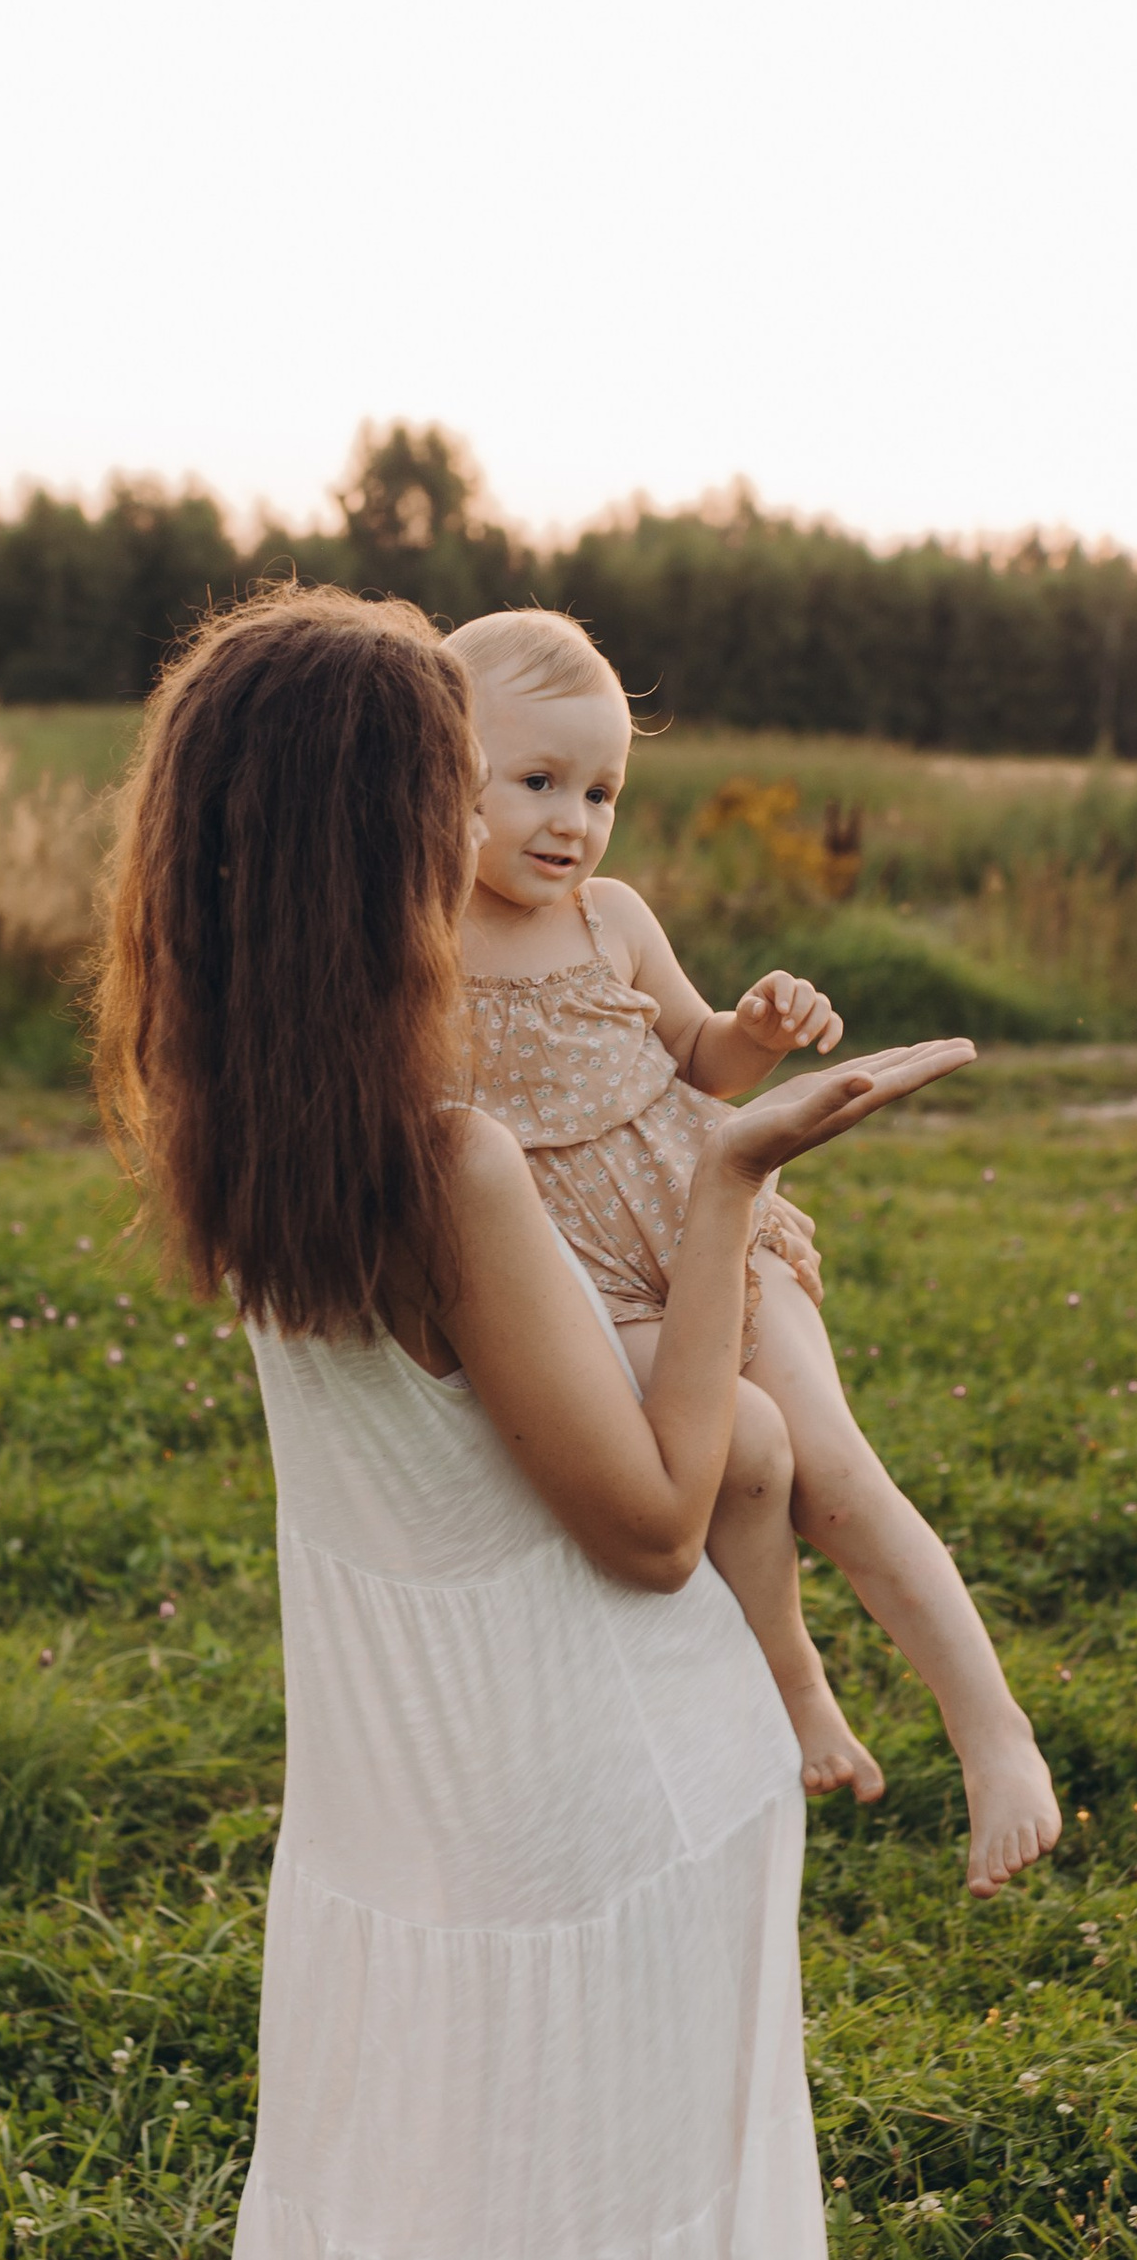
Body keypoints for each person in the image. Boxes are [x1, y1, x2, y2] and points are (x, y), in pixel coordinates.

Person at [59, 585, 971, 2260]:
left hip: (403, 1813)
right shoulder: (447, 1157)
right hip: (595, 1806)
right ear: (379, 839)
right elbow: (665, 1517)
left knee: (457, 2248)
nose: (500, 833)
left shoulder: (229, 1118)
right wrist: (722, 1182)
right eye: (448, 799)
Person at [451, 606, 1061, 1899]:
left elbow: (699, 1056)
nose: (574, 821)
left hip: (709, 1222)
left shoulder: (610, 920)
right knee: (732, 1455)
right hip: (581, 1282)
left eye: (603, 789)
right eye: (538, 782)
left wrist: (760, 1030)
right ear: (445, 778)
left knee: (835, 1467)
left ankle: (992, 1732)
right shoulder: (420, 945)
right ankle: (795, 1684)